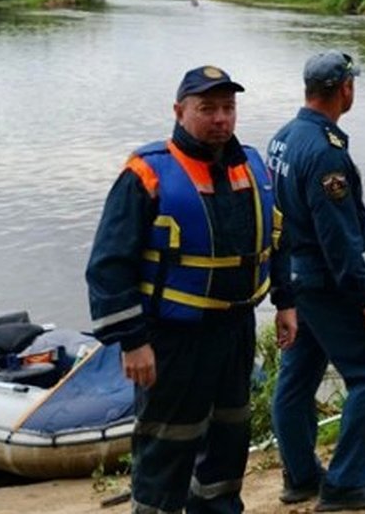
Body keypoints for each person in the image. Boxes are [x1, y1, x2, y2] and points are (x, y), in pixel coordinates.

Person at [85, 65, 296, 514]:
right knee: (167, 444)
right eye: (207, 108)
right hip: (171, 340)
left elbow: (276, 241)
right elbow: (108, 266)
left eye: (228, 107)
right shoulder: (146, 174)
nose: (220, 118)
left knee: (229, 437)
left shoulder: (254, 167)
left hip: (235, 333)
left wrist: (286, 303)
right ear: (180, 111)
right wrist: (133, 341)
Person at [267, 51, 365, 512]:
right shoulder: (324, 151)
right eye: (352, 83)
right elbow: (338, 241)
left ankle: (300, 475)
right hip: (324, 283)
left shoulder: (283, 138)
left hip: (296, 279)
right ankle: (347, 484)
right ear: (345, 88)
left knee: (298, 376)